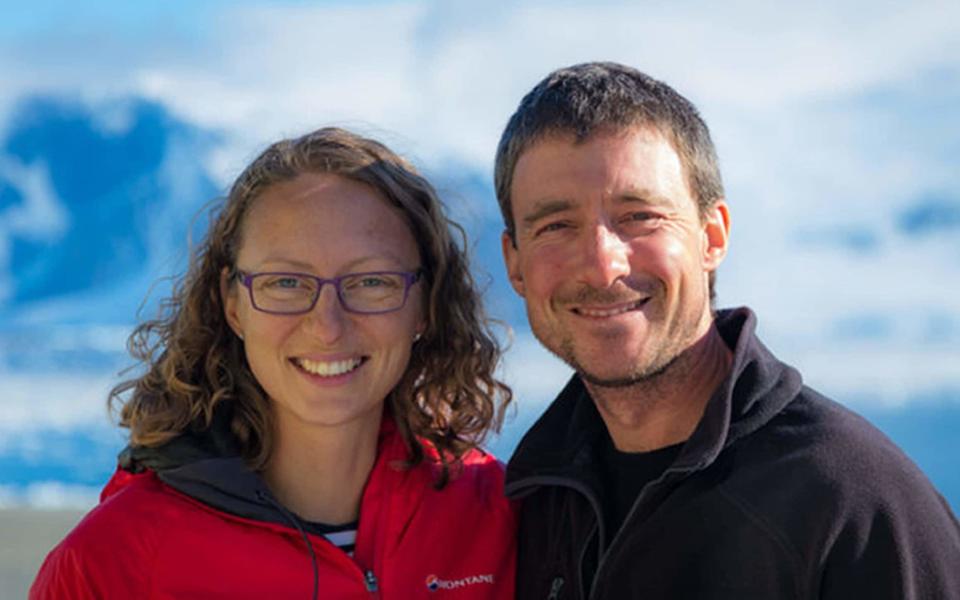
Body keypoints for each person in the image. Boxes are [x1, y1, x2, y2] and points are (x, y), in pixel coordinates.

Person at [495, 62, 960, 599]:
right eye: (556, 226)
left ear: (711, 237)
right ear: (516, 264)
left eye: (640, 216)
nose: (604, 266)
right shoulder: (533, 507)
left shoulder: (850, 502)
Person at [31, 127, 517, 599]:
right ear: (232, 305)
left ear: (426, 305)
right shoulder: (112, 563)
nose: (327, 326)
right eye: (286, 283)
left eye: (372, 282)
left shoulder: (501, 520)